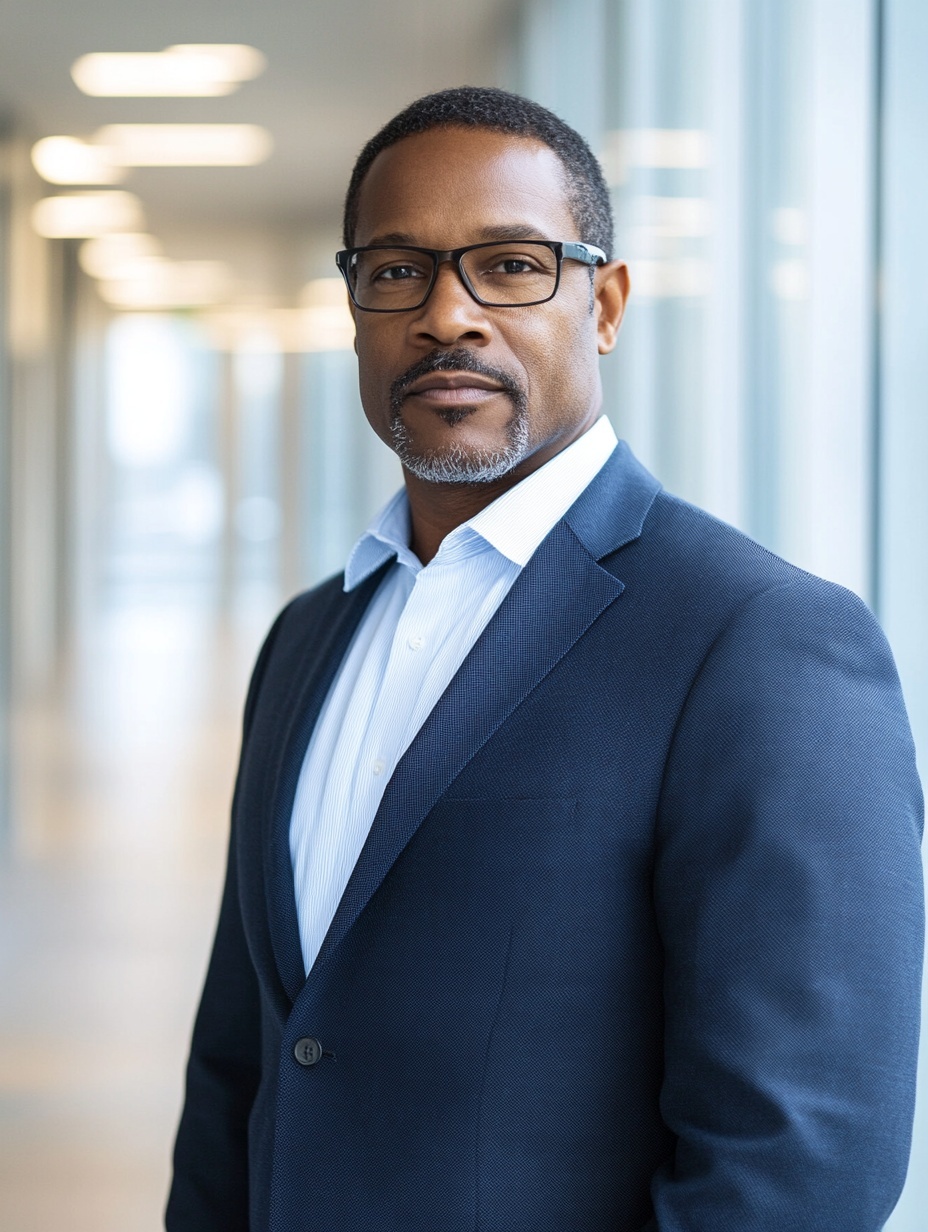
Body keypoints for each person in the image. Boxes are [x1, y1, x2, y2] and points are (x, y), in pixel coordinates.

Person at [166, 87, 924, 1232]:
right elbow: (246, 1063)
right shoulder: (308, 636)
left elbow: (797, 1162)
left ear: (605, 303)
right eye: (396, 270)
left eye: (511, 265)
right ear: (356, 306)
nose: (445, 315)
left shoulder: (758, 637)